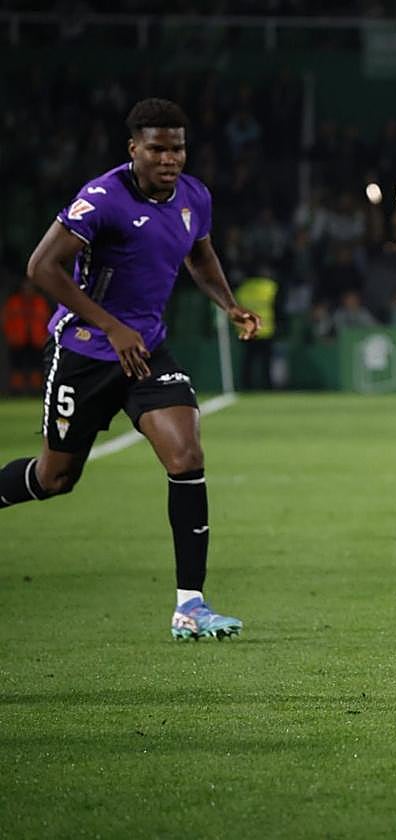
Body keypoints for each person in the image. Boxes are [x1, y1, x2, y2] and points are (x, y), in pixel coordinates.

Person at [0, 98, 262, 640]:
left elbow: (200, 256)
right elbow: (41, 267)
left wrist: (229, 304)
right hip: (85, 351)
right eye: (158, 149)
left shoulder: (194, 196)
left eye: (178, 148)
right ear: (134, 149)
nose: (170, 159)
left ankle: (190, 606)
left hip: (146, 351)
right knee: (54, 478)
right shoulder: (103, 198)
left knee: (186, 454)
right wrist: (111, 326)